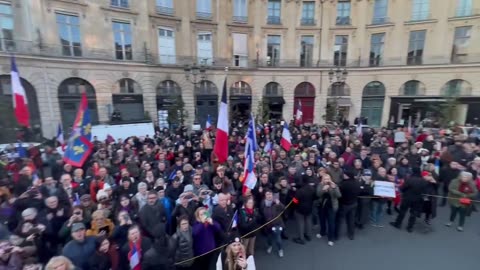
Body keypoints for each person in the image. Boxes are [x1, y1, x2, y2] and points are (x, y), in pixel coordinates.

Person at [316, 174, 341, 246]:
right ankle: (322, 232)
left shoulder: (334, 185)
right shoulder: (320, 185)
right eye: (325, 179)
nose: (326, 180)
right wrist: (323, 190)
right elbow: (318, 194)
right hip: (322, 206)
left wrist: (334, 188)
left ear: (330, 179)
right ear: (322, 179)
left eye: (328, 179)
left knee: (331, 223)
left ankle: (331, 238)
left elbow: (339, 195)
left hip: (332, 207)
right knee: (322, 220)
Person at [336, 170, 361, 240]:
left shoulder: (343, 184)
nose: (343, 175)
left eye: (345, 174)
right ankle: (351, 234)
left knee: (340, 220)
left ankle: (337, 235)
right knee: (351, 220)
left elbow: (339, 194)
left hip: (344, 205)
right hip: (354, 203)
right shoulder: (357, 183)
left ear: (348, 175)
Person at [260, 189, 284, 258]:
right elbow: (262, 212)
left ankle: (280, 249)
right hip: (268, 225)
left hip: (277, 224)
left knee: (278, 239)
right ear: (265, 196)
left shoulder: (276, 202)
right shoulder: (263, 203)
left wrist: (279, 204)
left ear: (272, 195)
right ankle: (270, 246)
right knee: (269, 238)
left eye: (270, 194)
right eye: (267, 194)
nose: (269, 196)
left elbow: (283, 208)